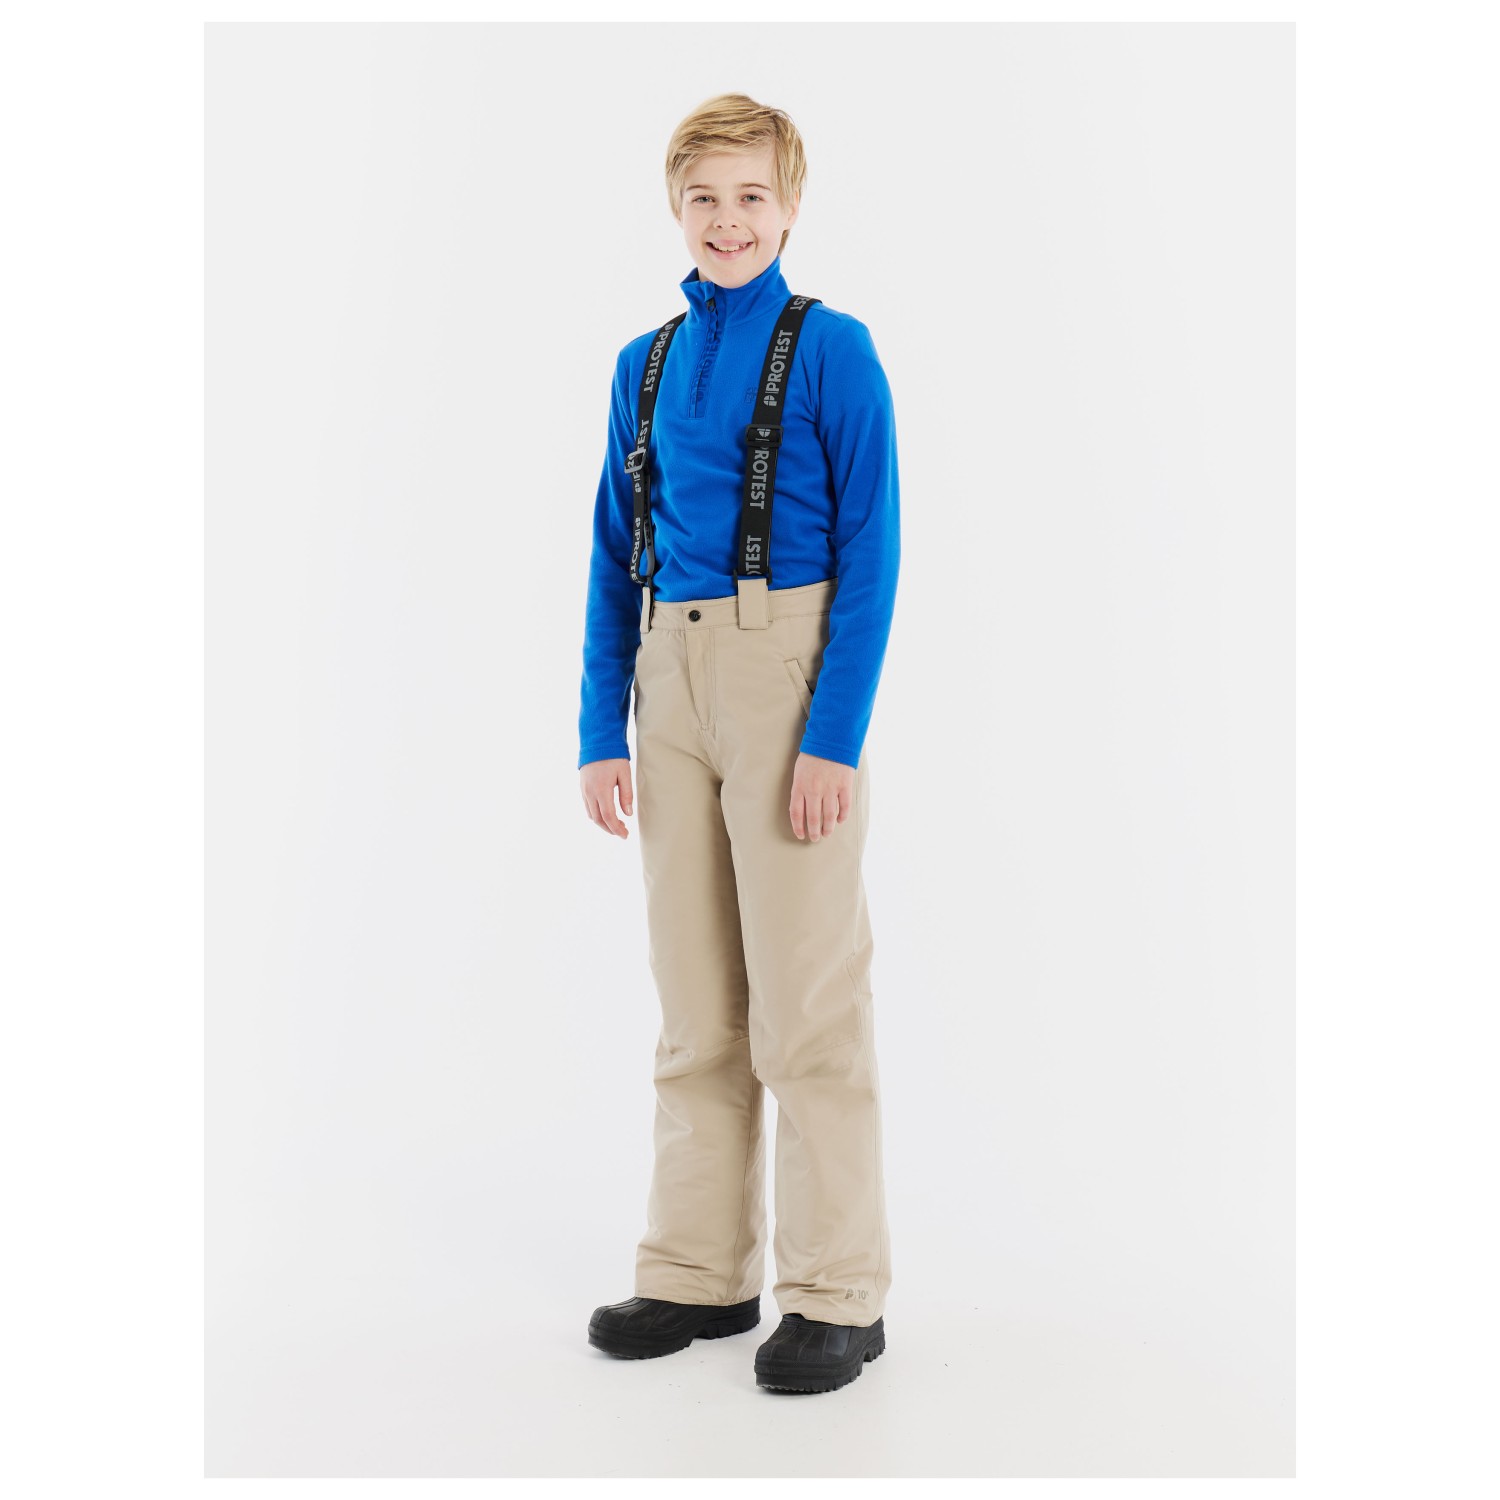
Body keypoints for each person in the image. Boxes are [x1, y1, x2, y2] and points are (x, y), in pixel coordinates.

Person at [577, 93, 900, 1395]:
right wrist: (602, 727)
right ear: (676, 207)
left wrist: (833, 739)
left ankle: (838, 1292)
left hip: (786, 673)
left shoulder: (833, 350)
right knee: (696, 1003)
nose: (728, 221)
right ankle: (698, 1271)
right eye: (704, 198)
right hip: (670, 682)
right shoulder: (642, 364)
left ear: (791, 206)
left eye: (752, 196)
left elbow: (873, 553)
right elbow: (615, 551)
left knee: (806, 1005)